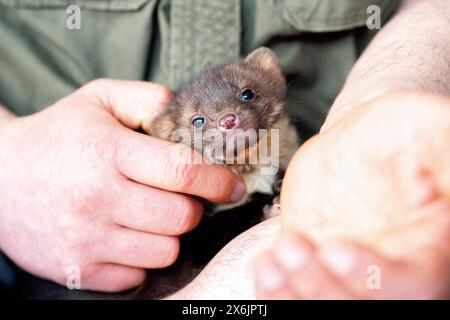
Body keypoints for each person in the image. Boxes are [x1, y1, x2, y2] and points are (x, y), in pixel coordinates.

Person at [0, 0, 448, 299]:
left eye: (247, 97)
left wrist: (380, 106)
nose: (228, 118)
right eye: (201, 122)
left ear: (268, 78)